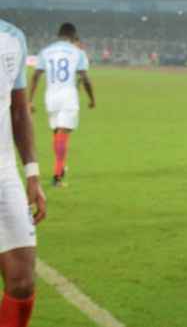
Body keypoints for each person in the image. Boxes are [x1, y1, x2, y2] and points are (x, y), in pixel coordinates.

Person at [0, 19, 47, 327]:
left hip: (3, 173)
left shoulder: (12, 38)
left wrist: (32, 173)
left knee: (21, 281)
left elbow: (19, 110)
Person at [28, 22, 95, 187]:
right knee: (63, 135)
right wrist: (92, 98)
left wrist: (30, 100)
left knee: (57, 133)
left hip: (50, 97)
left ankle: (60, 167)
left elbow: (36, 76)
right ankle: (57, 176)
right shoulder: (77, 51)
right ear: (73, 36)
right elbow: (85, 78)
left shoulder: (46, 51)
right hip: (68, 97)